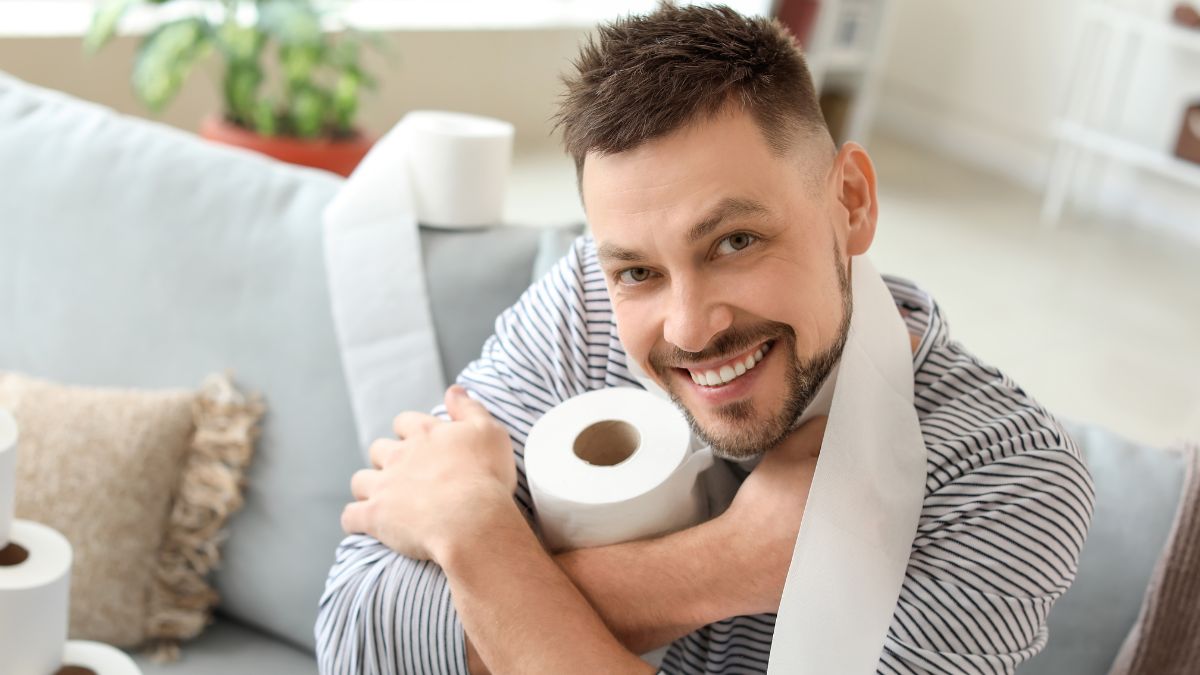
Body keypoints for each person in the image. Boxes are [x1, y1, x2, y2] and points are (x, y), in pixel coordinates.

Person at [315, 5, 1096, 674]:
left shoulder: (1005, 482)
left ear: (851, 203)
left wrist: (476, 534)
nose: (689, 327)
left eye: (734, 242)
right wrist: (723, 566)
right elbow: (361, 635)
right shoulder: (588, 304)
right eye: (639, 271)